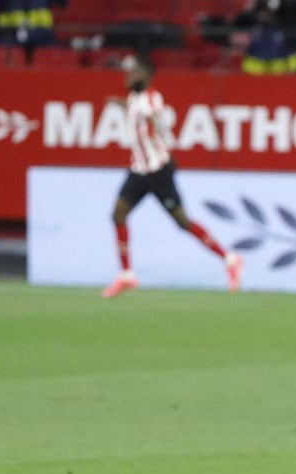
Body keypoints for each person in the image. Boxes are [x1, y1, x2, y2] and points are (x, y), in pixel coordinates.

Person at [103, 57, 242, 299]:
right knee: (118, 214)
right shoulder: (135, 100)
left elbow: (154, 116)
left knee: (182, 221)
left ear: (145, 77)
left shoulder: (152, 98)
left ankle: (230, 259)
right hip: (139, 169)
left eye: (133, 73)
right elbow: (138, 111)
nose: (128, 76)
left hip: (158, 170)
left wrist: (157, 127)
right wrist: (123, 105)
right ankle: (127, 275)